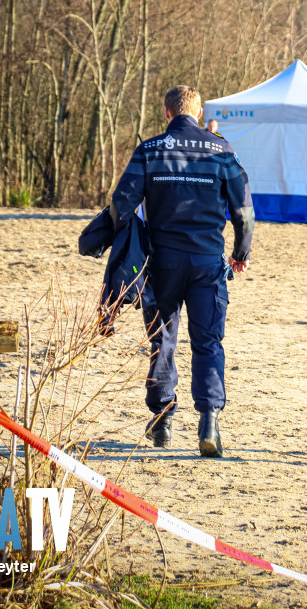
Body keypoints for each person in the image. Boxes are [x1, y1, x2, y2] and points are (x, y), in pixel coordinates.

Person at [110, 85, 254, 458]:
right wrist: (241, 251)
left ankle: (163, 423)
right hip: (208, 262)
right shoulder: (222, 149)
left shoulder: (149, 150)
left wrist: (124, 248)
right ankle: (209, 422)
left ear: (166, 112)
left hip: (161, 263)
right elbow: (243, 210)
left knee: (163, 340)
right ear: (198, 111)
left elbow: (121, 204)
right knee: (208, 343)